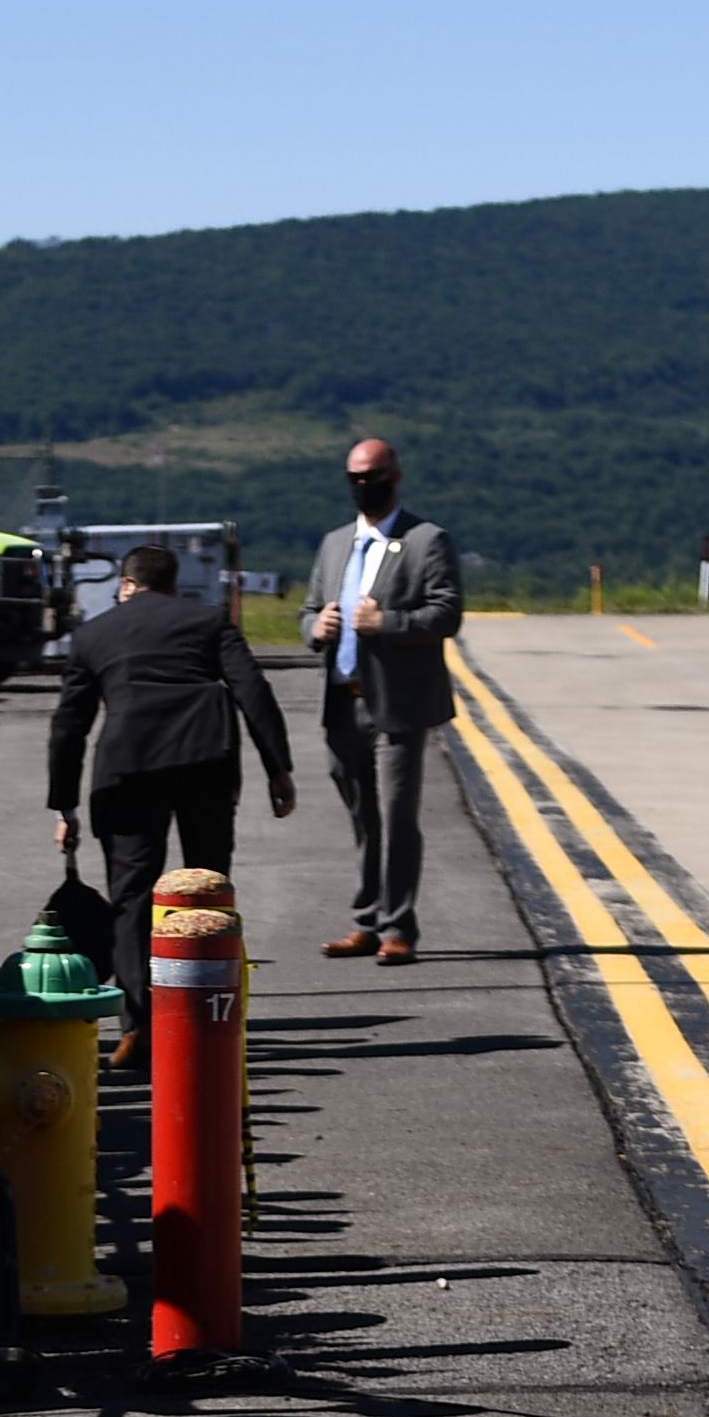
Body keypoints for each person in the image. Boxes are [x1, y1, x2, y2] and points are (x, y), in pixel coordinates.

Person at [46, 539, 294, 1063]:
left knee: (132, 899)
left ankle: (137, 1029)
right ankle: (208, 1013)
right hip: (205, 758)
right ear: (174, 584)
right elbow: (253, 689)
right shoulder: (208, 623)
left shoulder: (94, 634)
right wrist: (279, 768)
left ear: (126, 584)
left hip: (128, 766)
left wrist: (63, 805)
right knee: (205, 887)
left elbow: (70, 724)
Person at [301, 435, 461, 961]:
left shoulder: (426, 540)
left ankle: (398, 928)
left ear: (395, 477)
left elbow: (446, 613)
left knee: (396, 817)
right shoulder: (333, 544)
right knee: (362, 817)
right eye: (354, 477)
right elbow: (307, 609)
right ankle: (367, 920)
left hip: (396, 705)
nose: (362, 486)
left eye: (372, 476)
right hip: (342, 702)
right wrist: (315, 626)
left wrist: (386, 623)